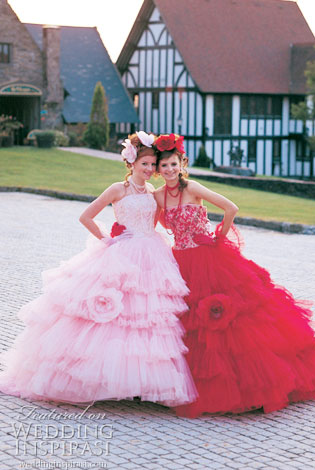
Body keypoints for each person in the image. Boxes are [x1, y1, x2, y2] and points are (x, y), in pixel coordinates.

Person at [0, 132, 197, 406]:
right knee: (114, 318)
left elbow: (159, 223)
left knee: (147, 319)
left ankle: (140, 382)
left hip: (152, 254)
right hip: (122, 252)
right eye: (145, 164)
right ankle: (105, 380)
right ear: (132, 164)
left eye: (153, 165)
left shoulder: (153, 192)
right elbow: (86, 216)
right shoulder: (118, 189)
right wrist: (107, 239)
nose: (151, 169)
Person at [152, 133, 315, 415]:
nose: (169, 170)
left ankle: (247, 387)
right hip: (179, 261)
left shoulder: (193, 188)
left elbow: (231, 208)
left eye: (173, 164)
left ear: (182, 163)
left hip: (208, 258)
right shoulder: (157, 196)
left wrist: (218, 236)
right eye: (164, 166)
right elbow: (156, 224)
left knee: (224, 322)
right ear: (158, 170)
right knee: (183, 321)